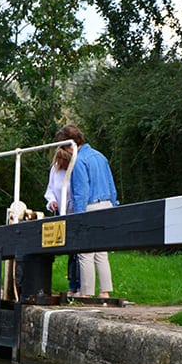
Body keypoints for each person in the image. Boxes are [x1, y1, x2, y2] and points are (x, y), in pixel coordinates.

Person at [54, 124, 118, 299]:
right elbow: (112, 187)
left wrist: (79, 217)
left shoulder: (79, 160)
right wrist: (114, 205)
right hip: (107, 205)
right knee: (102, 252)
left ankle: (86, 293)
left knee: (85, 253)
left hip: (90, 207)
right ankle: (104, 292)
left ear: (68, 145)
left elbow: (82, 192)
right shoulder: (100, 156)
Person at [44, 146, 80, 296]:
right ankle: (68, 285)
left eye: (63, 160)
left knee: (76, 252)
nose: (61, 163)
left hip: (74, 213)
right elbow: (50, 190)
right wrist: (52, 201)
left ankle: (77, 286)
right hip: (60, 214)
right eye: (59, 160)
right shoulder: (55, 170)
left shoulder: (75, 169)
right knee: (63, 250)